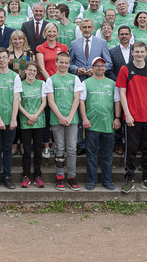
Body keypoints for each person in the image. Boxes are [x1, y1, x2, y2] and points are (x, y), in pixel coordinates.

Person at [116, 41, 147, 194]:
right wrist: (127, 114)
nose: (140, 54)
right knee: (131, 149)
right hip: (132, 117)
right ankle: (129, 179)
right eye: (137, 52)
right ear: (132, 52)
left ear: (146, 52)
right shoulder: (125, 69)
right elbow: (122, 93)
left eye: (142, 52)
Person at [44, 52, 84, 191]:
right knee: (60, 147)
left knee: (72, 148)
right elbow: (50, 100)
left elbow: (76, 99)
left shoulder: (75, 79)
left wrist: (70, 116)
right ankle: (60, 176)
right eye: (61, 62)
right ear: (56, 62)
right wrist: (60, 116)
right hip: (57, 119)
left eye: (66, 62)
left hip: (72, 119)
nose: (63, 65)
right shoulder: (51, 80)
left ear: (69, 64)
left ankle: (72, 177)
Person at [0, 47, 23, 189]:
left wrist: (13, 118)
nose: (2, 60)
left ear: (8, 59)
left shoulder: (15, 76)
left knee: (7, 149)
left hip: (10, 119)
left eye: (4, 57)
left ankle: (7, 176)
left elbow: (16, 99)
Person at [80, 56, 120, 190]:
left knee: (107, 155)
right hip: (92, 125)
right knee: (91, 155)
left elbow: (117, 102)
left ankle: (107, 180)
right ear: (92, 68)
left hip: (108, 125)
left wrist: (117, 118)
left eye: (102, 65)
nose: (100, 68)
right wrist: (84, 119)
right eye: (97, 66)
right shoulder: (86, 83)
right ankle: (91, 180)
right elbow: (81, 102)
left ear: (106, 68)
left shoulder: (112, 83)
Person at [17, 61, 46, 188]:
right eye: (30, 70)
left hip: (38, 121)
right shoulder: (20, 84)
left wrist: (35, 116)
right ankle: (26, 176)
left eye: (34, 71)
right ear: (26, 70)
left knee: (38, 150)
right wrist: (28, 116)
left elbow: (44, 102)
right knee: (27, 151)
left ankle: (38, 176)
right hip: (25, 122)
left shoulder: (42, 83)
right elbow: (17, 103)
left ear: (37, 73)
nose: (32, 73)